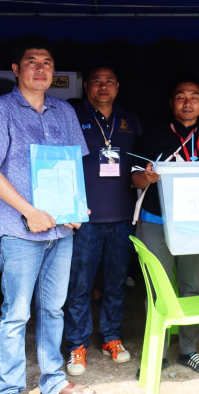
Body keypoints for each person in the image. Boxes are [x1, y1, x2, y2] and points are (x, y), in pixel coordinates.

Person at [0, 37, 95, 394]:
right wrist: (30, 212)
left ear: (54, 71)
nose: (40, 68)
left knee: (53, 310)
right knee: (16, 313)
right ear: (16, 69)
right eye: (32, 61)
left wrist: (77, 206)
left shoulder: (65, 112)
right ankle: (11, 387)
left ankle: (52, 380)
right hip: (19, 230)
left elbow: (73, 165)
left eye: (47, 62)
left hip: (61, 231)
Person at [131, 78, 199, 374]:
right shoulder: (153, 135)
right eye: (181, 97)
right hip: (155, 220)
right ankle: (156, 352)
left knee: (190, 287)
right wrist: (147, 177)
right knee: (156, 290)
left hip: (194, 225)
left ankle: (188, 349)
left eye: (194, 97)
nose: (188, 103)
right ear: (171, 102)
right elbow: (134, 179)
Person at [64, 66, 142, 376]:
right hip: (84, 218)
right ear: (86, 86)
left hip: (122, 216)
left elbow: (139, 166)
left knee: (116, 283)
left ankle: (111, 337)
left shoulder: (129, 119)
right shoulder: (72, 116)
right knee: (80, 285)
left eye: (109, 81)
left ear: (118, 86)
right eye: (97, 81)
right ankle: (77, 345)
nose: (103, 86)